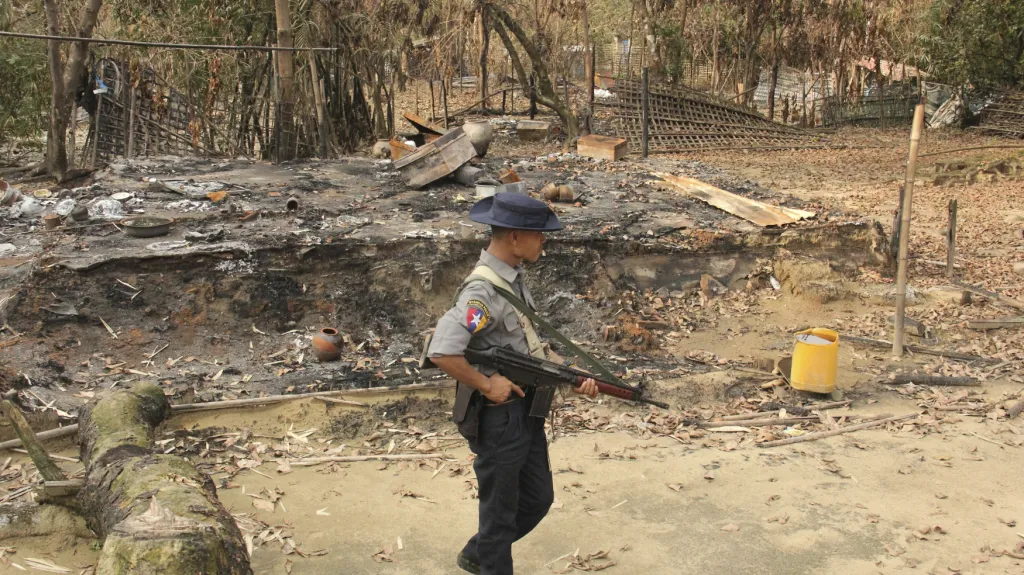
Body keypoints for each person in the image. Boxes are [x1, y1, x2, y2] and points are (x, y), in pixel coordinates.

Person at [426, 192, 598, 575]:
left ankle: (479, 552)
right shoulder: (482, 292)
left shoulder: (513, 280)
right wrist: (486, 385)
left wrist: (571, 374)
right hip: (500, 416)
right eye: (539, 234)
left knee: (538, 498)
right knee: (500, 515)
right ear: (515, 237)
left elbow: (526, 346)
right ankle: (491, 561)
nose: (544, 241)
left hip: (527, 409)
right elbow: (441, 350)